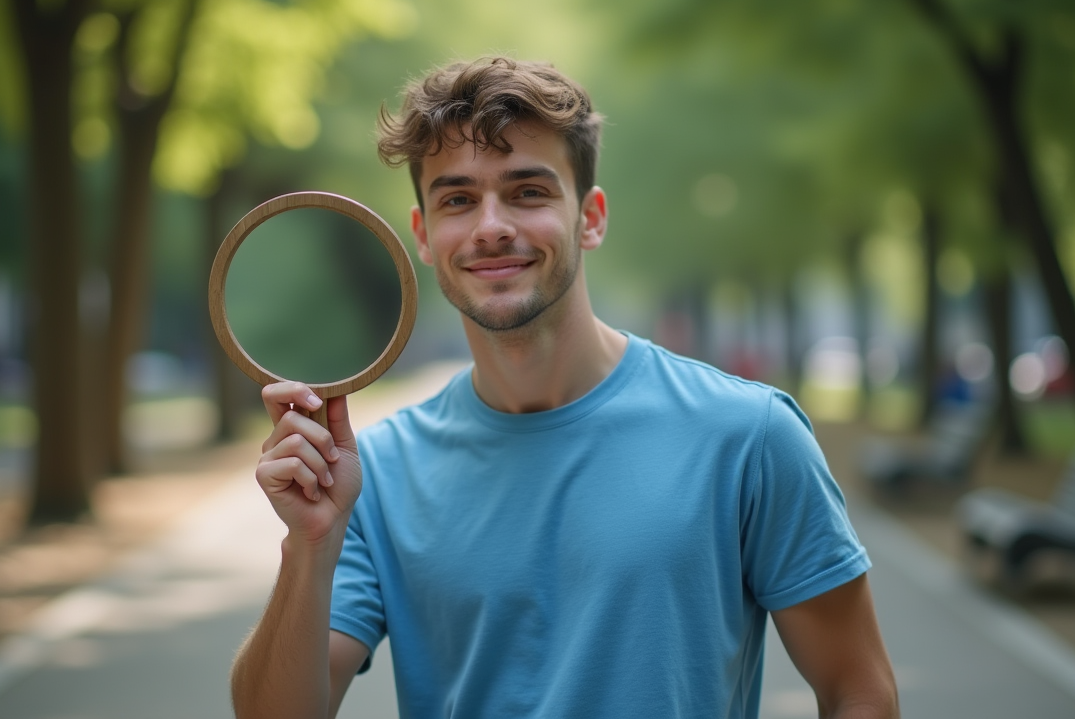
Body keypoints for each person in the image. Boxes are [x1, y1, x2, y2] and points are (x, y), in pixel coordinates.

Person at [230, 57, 899, 719]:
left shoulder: (748, 436)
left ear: (591, 217)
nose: (491, 225)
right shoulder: (373, 474)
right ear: (425, 235)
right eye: (458, 199)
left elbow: (859, 691)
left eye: (527, 191)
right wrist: (309, 546)